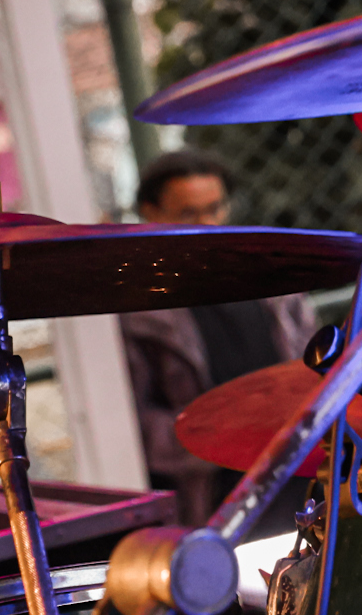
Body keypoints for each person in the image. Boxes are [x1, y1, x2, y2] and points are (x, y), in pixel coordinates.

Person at [120, 148, 314, 525]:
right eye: (188, 214)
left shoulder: (271, 281)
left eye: (215, 208)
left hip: (298, 476)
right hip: (212, 500)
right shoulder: (139, 310)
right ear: (150, 212)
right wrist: (217, 436)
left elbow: (317, 370)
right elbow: (133, 424)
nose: (207, 224)